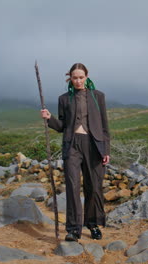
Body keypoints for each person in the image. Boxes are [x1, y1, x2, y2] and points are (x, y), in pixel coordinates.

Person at [40, 63, 110, 241]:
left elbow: (104, 126)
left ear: (86, 77)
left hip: (94, 145)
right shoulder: (64, 99)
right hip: (72, 146)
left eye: (81, 77)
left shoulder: (98, 96)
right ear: (70, 79)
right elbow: (63, 126)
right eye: (74, 78)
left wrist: (106, 150)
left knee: (94, 187)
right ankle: (73, 229)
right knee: (72, 187)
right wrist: (50, 119)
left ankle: (93, 224)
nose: (78, 81)